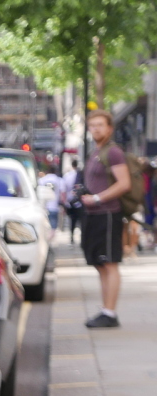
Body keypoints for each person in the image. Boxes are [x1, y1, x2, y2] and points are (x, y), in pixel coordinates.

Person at [79, 110, 131, 328]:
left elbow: (124, 183)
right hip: (94, 215)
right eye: (93, 125)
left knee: (109, 263)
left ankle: (109, 313)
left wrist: (97, 198)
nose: (96, 129)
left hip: (108, 214)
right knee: (101, 263)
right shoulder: (96, 152)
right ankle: (105, 309)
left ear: (110, 128)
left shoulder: (114, 152)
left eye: (100, 125)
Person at [62, 159, 83, 242]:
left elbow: (64, 190)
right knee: (80, 219)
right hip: (79, 201)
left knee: (72, 220)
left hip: (70, 201)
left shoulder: (67, 176)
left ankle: (72, 236)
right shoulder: (80, 174)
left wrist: (64, 202)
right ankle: (81, 235)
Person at [38, 165, 63, 232]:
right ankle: (49, 239)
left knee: (43, 227)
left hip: (43, 206)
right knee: (53, 227)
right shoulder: (58, 180)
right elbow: (62, 193)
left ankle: (46, 240)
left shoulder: (42, 180)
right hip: (54, 206)